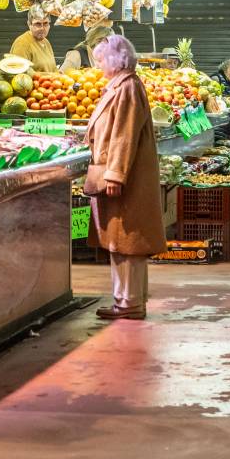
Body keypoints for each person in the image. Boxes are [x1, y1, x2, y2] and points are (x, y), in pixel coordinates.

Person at [84, 34, 167, 321]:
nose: (98, 67)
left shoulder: (128, 87)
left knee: (128, 240)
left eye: (100, 61)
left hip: (124, 178)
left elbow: (124, 135)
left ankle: (129, 302)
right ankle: (126, 299)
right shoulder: (120, 86)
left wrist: (115, 174)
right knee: (119, 241)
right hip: (117, 173)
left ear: (114, 60)